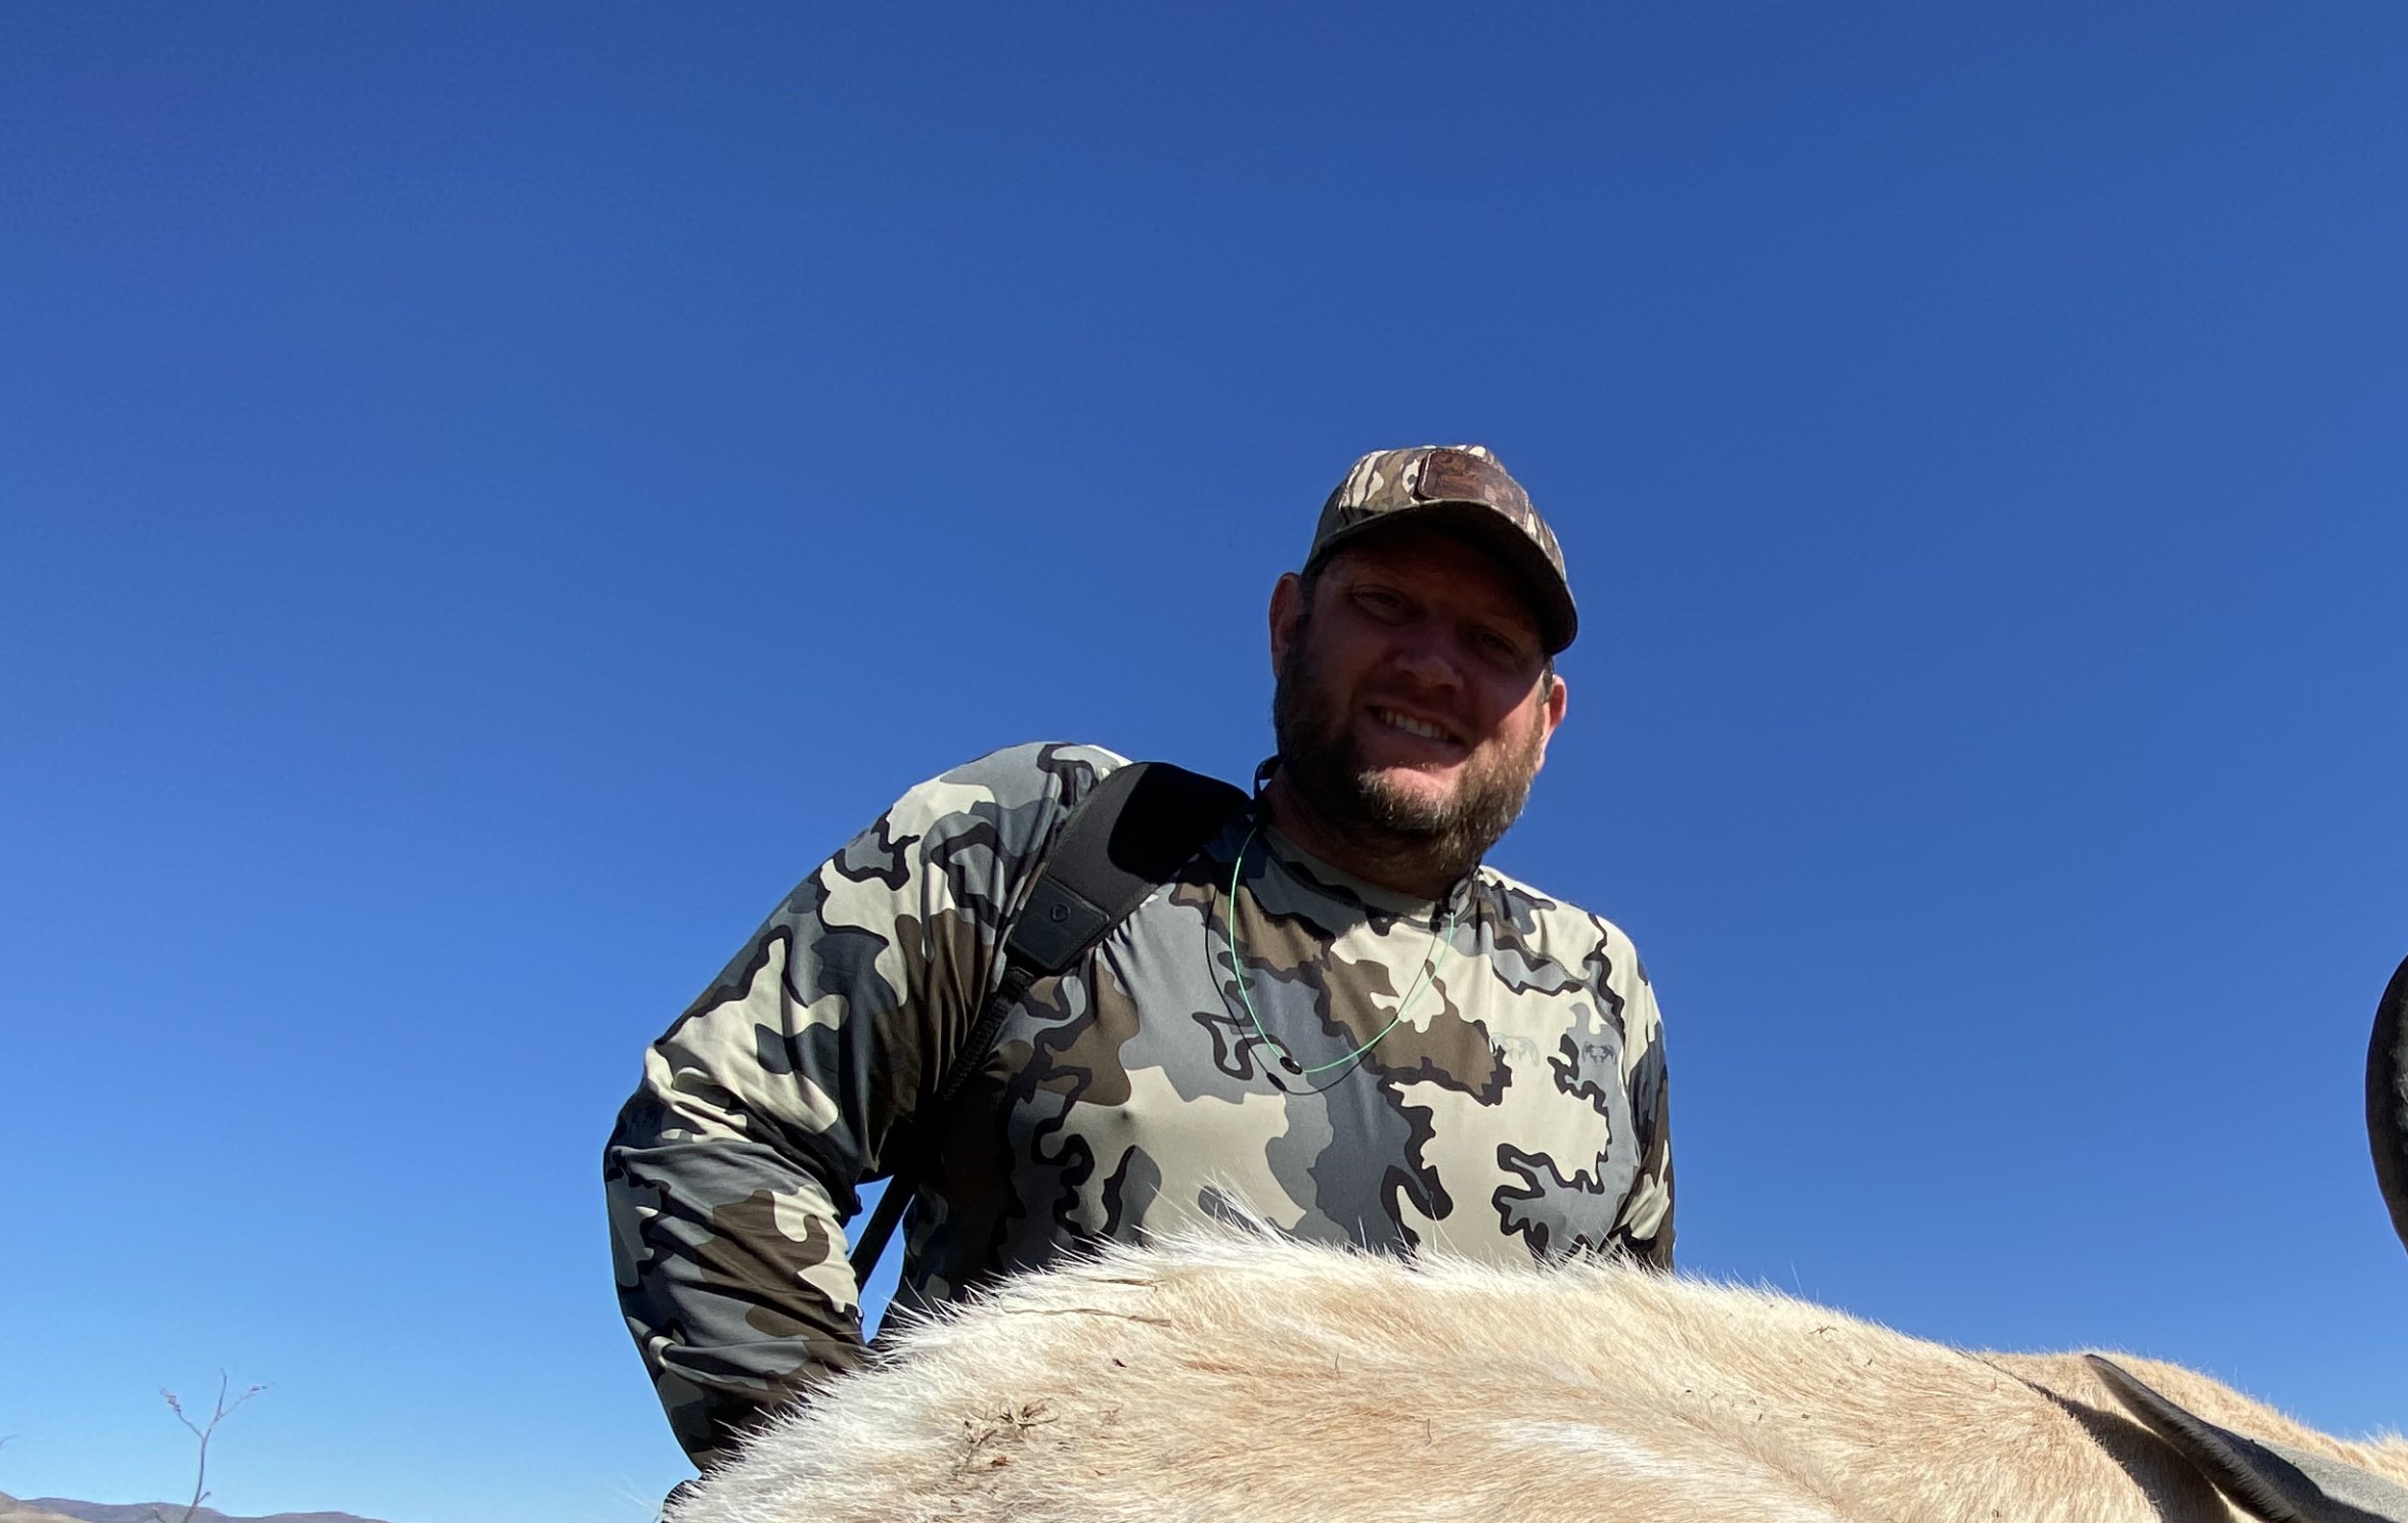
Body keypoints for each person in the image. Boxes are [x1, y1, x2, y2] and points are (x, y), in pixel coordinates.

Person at [605, 444, 1673, 1470]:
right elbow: (720, 1125)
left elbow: (1641, 1385)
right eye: (1386, 604)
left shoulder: (1599, 987)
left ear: (1547, 716)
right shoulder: (1048, 832)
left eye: (1494, 643)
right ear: (1288, 624)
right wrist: (849, 1518)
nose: (1435, 666)